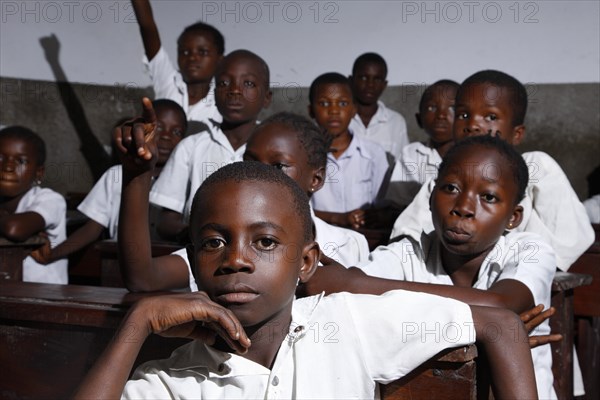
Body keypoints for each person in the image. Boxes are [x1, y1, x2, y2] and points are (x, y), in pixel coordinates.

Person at [72, 157, 538, 398]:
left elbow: (500, 324)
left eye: (266, 242)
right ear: (192, 261)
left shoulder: (349, 322)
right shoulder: (175, 379)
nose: (237, 260)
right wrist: (138, 322)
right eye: (214, 243)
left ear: (308, 261)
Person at [352, 135, 556, 399]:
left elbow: (499, 305)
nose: (463, 208)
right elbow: (339, 296)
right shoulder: (406, 252)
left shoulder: (530, 250)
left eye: (488, 197)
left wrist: (361, 288)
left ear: (514, 217)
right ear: (430, 196)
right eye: (450, 188)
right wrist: (484, 337)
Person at [390, 70, 594, 274]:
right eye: (463, 115)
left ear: (517, 134)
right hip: (451, 284)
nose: (473, 125)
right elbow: (407, 234)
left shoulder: (537, 167)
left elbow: (570, 238)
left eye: (490, 117)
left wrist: (525, 274)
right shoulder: (446, 181)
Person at [30, 100, 187, 266]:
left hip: (167, 265)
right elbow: (92, 229)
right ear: (140, 130)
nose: (166, 136)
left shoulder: (186, 179)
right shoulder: (116, 176)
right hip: (119, 263)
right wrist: (52, 254)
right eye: (159, 128)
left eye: (176, 132)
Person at [150, 50, 272, 241]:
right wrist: (203, 236)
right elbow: (166, 223)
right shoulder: (190, 147)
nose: (234, 90)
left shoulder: (275, 149)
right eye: (224, 83)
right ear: (214, 94)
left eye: (248, 83)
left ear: (267, 97)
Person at [243, 112, 370, 267]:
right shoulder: (231, 247)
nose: (259, 175)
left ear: (316, 180)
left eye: (278, 166)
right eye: (250, 163)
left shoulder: (350, 246)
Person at [308, 72, 390, 230]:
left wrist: (369, 216)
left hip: (363, 240)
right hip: (317, 241)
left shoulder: (373, 153)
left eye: (343, 103)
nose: (334, 111)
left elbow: (383, 207)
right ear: (311, 110)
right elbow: (298, 208)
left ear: (354, 110)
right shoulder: (302, 155)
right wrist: (339, 218)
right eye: (324, 104)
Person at [132, 0, 224, 131]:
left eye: (202, 52)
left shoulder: (223, 99)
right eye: (185, 52)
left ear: (220, 60)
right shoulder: (168, 80)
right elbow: (147, 26)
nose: (192, 57)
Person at [0, 126, 67, 284]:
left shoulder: (50, 199)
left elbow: (14, 229)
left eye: (21, 161)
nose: (8, 167)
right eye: (0, 158)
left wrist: (10, 224)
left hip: (44, 298)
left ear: (39, 173)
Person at [386, 80, 459, 207]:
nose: (441, 115)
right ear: (419, 120)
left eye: (452, 108)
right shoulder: (411, 154)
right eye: (432, 108)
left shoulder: (477, 155)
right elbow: (397, 203)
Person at [349, 53, 408, 162]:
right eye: (363, 78)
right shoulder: (339, 120)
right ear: (351, 80)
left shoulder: (396, 121)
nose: (370, 85)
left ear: (384, 84)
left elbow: (403, 165)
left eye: (377, 79)